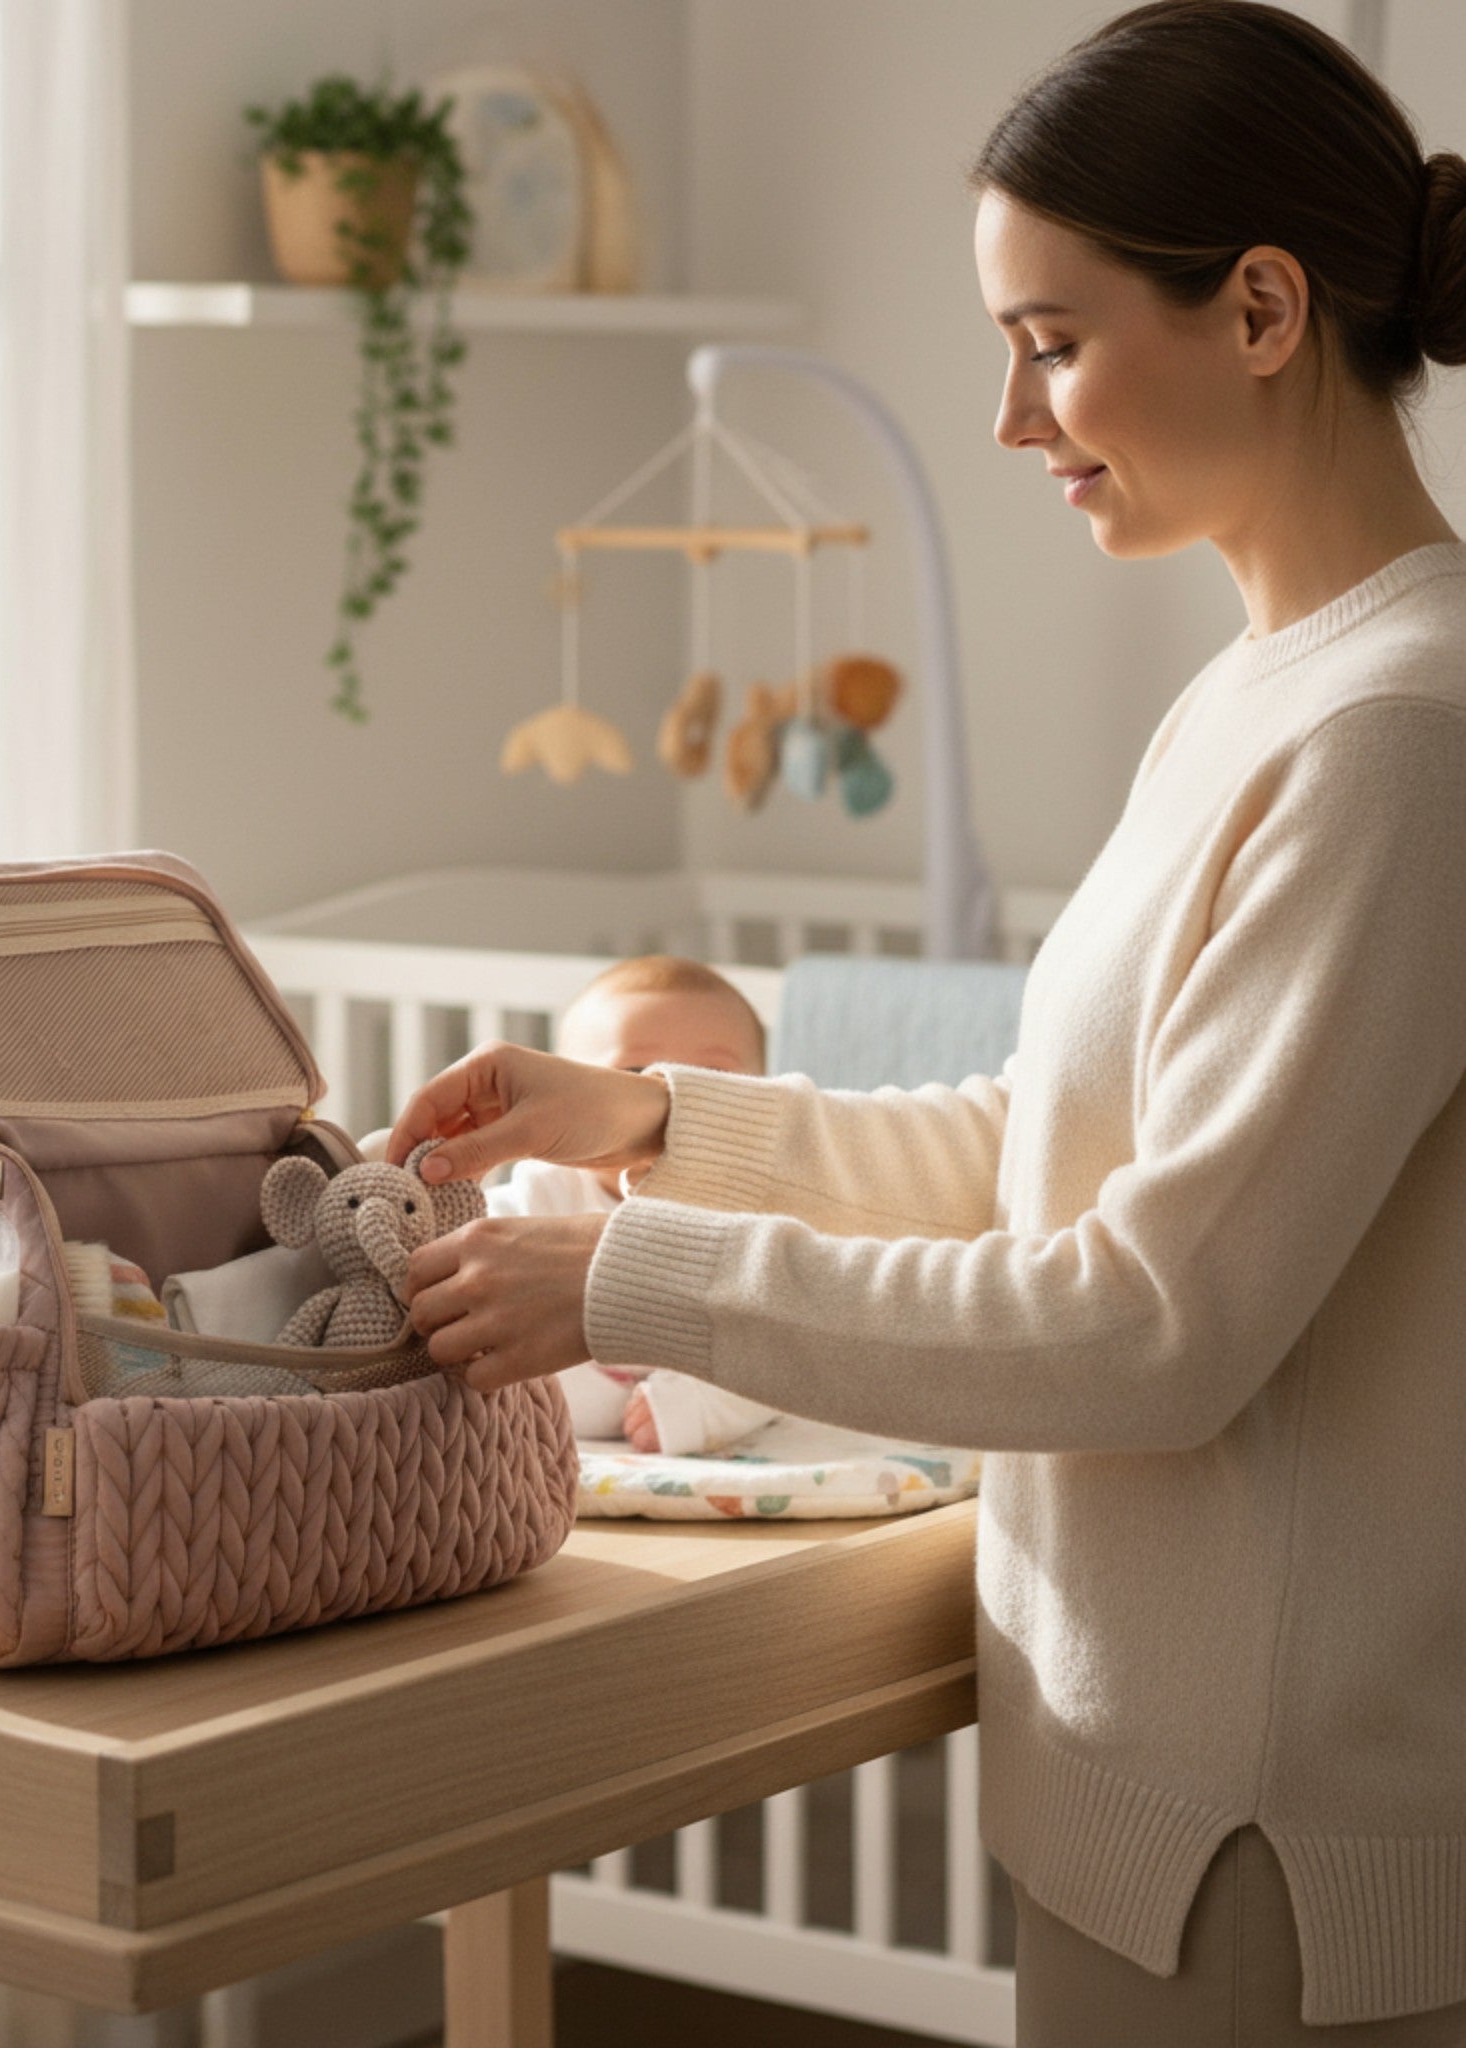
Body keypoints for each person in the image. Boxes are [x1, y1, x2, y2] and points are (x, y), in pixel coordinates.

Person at [387, 5, 1466, 2040]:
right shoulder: (1260, 691)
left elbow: (1154, 1322)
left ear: (1258, 310)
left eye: (1048, 342)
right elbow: (1040, 1141)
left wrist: (633, 1280)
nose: (1006, 416)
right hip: (1158, 1803)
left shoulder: (1392, 738)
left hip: (1268, 1844)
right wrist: (647, 1122)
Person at [484, 954, 783, 1453]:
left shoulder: (759, 1209)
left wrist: (697, 1408)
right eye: (634, 1072)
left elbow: (783, 1349)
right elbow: (476, 1252)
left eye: (714, 1078)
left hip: (668, 1414)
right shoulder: (544, 1192)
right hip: (530, 1423)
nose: (677, 1101)